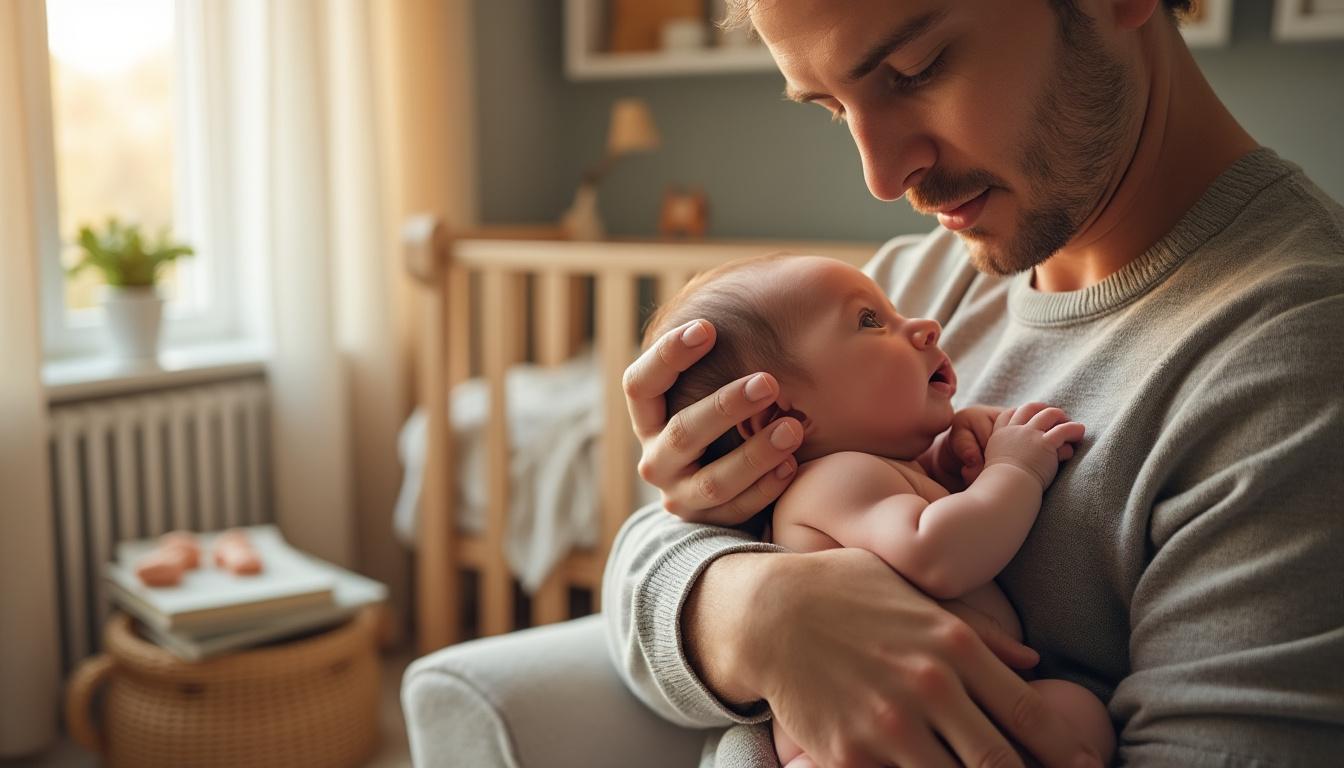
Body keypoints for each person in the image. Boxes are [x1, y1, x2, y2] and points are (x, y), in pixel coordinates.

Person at [606, 0, 1344, 766]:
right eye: (833, 109)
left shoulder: (1295, 356)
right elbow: (639, 570)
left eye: (916, 70)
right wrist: (755, 612)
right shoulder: (910, 282)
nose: (883, 178)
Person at [643, 253, 1112, 766]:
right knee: (1078, 717)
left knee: (1077, 715)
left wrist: (949, 466)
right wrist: (1013, 470)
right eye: (871, 321)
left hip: (943, 719)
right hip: (855, 749)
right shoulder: (831, 479)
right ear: (781, 417)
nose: (926, 326)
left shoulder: (874, 472)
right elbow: (937, 553)